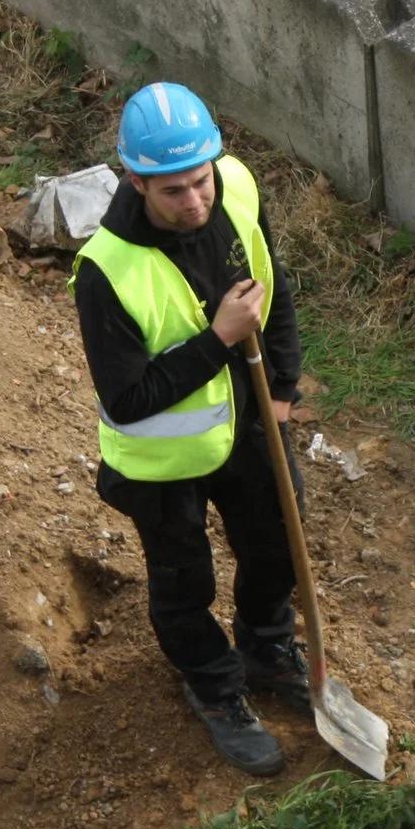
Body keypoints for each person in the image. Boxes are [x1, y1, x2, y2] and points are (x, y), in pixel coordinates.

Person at [72, 82, 308, 776]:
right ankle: (214, 683)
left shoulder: (234, 188)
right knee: (184, 584)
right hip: (160, 461)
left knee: (278, 541)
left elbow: (275, 288)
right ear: (137, 179)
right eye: (174, 191)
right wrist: (217, 339)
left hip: (251, 420)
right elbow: (127, 396)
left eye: (200, 181)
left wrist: (285, 393)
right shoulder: (105, 271)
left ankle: (267, 647)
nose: (196, 201)